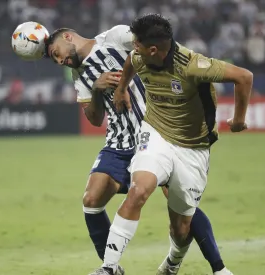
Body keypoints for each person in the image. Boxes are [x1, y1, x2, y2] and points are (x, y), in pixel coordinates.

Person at [44, 24, 228, 275]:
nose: (59, 61)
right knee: (91, 199)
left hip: (156, 132)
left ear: (68, 37)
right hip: (119, 141)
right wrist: (98, 89)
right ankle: (111, 267)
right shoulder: (79, 75)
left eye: (56, 53)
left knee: (183, 212)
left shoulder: (115, 37)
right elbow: (95, 119)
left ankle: (216, 267)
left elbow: (155, 48)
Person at [89, 14, 252, 275]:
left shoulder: (193, 65)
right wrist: (122, 88)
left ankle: (172, 263)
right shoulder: (140, 55)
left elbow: (244, 76)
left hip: (193, 147)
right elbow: (131, 61)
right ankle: (108, 267)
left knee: (181, 226)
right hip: (156, 133)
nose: (133, 47)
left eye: (137, 43)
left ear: (153, 48)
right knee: (139, 190)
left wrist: (239, 119)